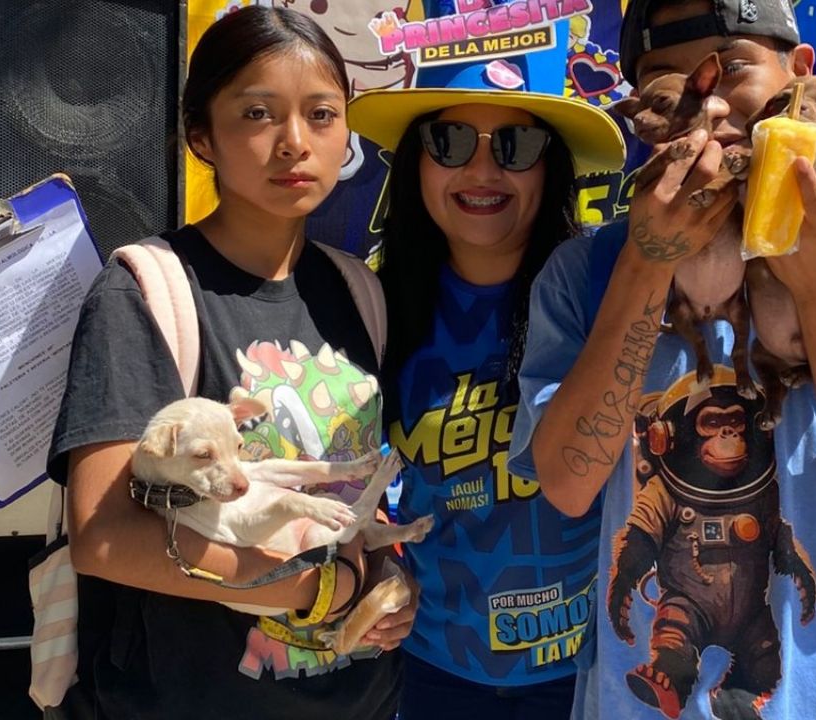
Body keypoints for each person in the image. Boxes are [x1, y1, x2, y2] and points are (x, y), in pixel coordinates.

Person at [508, 1, 816, 719]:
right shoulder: (583, 274)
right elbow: (570, 486)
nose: (710, 103)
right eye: (671, 80)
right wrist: (647, 262)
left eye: (733, 67)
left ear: (799, 73)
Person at [47, 8, 411, 719]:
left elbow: (358, 491)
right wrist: (320, 590)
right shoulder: (146, 291)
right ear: (201, 136)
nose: (294, 142)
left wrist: (382, 576)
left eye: (322, 114)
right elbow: (104, 536)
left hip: (360, 700)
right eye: (257, 113)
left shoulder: (360, 292)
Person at [345, 17, 627, 719]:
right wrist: (375, 563)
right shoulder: (371, 303)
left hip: (596, 672)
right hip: (435, 673)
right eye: (449, 141)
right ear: (416, 161)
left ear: (552, 165)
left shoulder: (614, 286)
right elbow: (356, 485)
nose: (481, 171)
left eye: (515, 145)